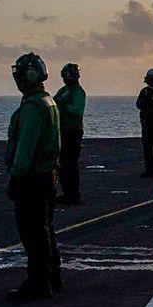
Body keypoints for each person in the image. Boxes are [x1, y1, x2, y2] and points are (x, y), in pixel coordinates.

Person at [4, 52, 61, 300]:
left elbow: (25, 149)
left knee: (32, 232)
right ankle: (52, 276)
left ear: (28, 75)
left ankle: (39, 283)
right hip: (48, 175)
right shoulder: (48, 101)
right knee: (45, 229)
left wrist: (16, 178)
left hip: (32, 179)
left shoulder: (32, 107)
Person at [54, 62, 86, 204]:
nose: (67, 77)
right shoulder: (63, 91)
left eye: (69, 74)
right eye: (65, 74)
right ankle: (67, 192)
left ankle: (73, 194)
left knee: (70, 164)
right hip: (62, 131)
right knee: (63, 164)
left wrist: (64, 106)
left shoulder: (78, 91)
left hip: (73, 131)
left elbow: (78, 111)